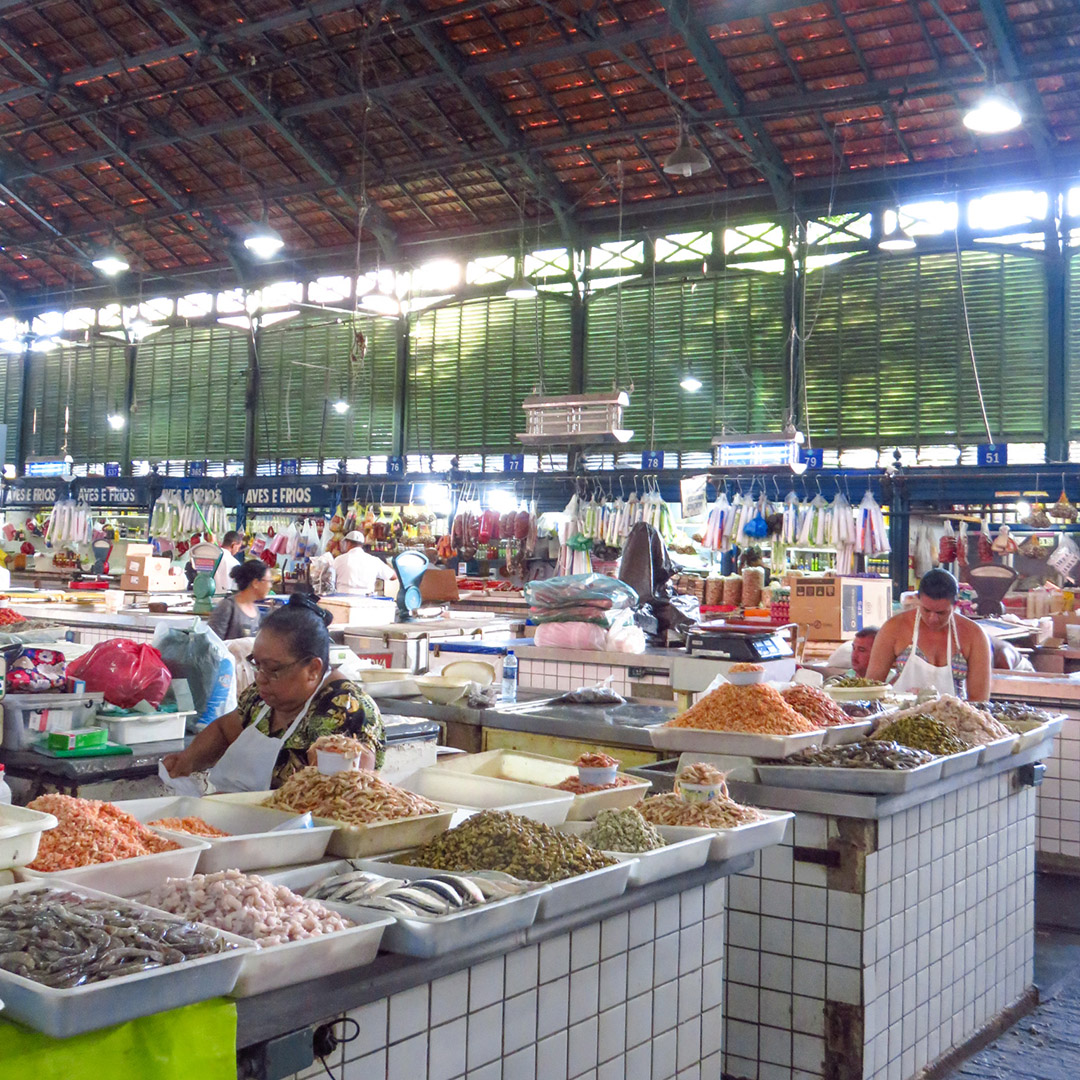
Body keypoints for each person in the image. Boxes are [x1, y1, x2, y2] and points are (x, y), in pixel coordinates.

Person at [163, 593, 384, 791]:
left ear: (313, 669)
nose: (260, 677)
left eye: (274, 669)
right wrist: (187, 761)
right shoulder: (262, 697)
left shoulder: (344, 708)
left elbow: (344, 794)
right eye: (257, 664)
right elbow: (224, 730)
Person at [866, 568, 991, 701]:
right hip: (899, 716)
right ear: (917, 600)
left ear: (955, 606)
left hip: (952, 718)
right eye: (926, 610)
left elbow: (979, 700)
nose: (933, 618)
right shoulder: (893, 628)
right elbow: (871, 689)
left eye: (941, 613)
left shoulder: (974, 636)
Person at [206, 559, 272, 641]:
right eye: (268, 581)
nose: (270, 586)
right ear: (255, 583)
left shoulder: (256, 610)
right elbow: (212, 643)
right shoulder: (227, 607)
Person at [332, 530, 397, 595]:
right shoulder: (373, 561)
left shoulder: (339, 560)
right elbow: (393, 576)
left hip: (343, 600)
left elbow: (330, 579)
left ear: (348, 543)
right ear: (361, 544)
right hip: (366, 600)